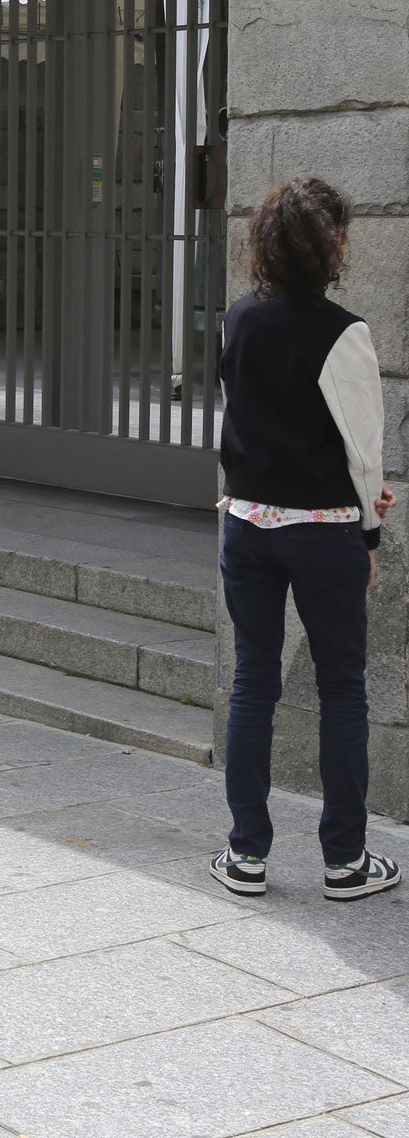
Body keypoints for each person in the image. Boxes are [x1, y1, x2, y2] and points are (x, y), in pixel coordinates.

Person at [214, 176, 398, 901]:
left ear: (263, 243)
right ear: (334, 246)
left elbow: (240, 421)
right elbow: (363, 451)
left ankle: (247, 858)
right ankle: (344, 863)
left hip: (248, 526)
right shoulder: (343, 332)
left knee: (254, 682)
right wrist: (371, 535)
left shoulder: (236, 319)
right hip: (323, 533)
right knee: (341, 689)